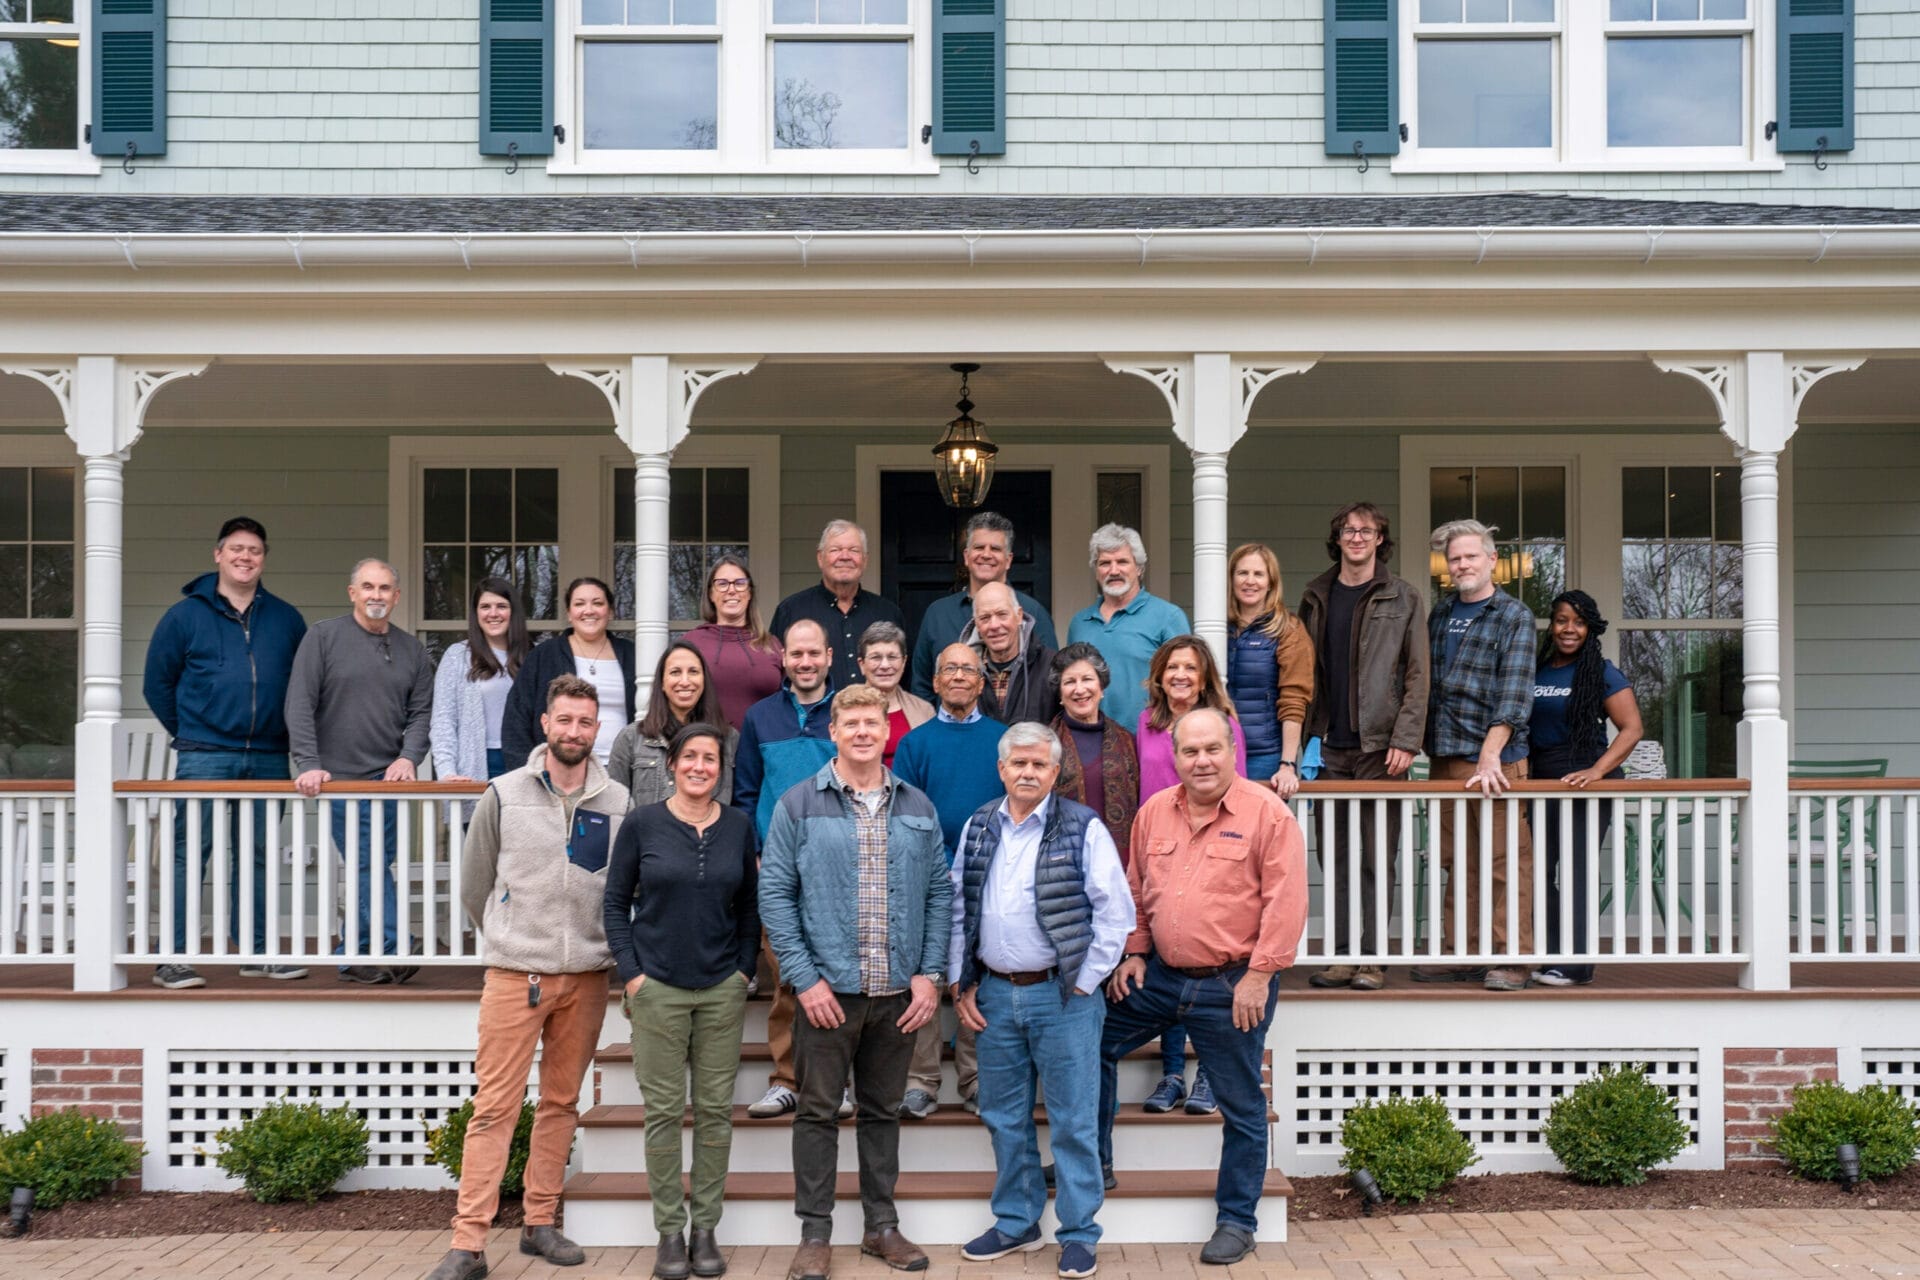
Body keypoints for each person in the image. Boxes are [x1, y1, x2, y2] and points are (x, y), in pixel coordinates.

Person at [425, 676, 629, 1280]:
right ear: (545, 723)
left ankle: (540, 1223)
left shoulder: (617, 802)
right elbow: (473, 883)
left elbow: (623, 888)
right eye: (564, 720)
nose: (574, 732)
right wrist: (507, 933)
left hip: (587, 977)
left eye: (585, 722)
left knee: (561, 1103)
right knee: (495, 1107)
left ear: (597, 730)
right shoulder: (504, 793)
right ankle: (468, 1244)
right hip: (516, 974)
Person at [1098, 708, 1308, 1266]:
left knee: (1240, 1105)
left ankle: (1237, 1221)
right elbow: (1136, 889)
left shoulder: (1267, 814)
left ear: (1232, 751)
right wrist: (1135, 952)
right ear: (1175, 757)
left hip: (1234, 981)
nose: (1201, 760)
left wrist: (1260, 976)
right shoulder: (1153, 814)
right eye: (1190, 752)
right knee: (1089, 1039)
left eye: (1212, 749)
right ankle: (1094, 1163)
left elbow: (1285, 904)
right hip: (1161, 977)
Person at [758, 684, 951, 1280]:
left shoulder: (917, 805)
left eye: (873, 722)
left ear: (885, 732)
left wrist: (930, 974)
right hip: (826, 996)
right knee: (817, 1113)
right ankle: (814, 1234)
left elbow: (941, 893)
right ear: (834, 732)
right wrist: (804, 980)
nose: (864, 731)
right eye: (852, 723)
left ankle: (881, 1228)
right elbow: (775, 894)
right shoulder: (798, 804)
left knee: (881, 1112)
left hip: (897, 995)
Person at [949, 722, 1134, 1280]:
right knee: (1003, 1115)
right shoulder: (980, 825)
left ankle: (1078, 1233)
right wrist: (963, 981)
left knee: (1074, 1122)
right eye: (1017, 763)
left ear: (1056, 772)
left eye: (1039, 765)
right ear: (1002, 768)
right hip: (998, 996)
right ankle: (1017, 1222)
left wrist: (1084, 982)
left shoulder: (1083, 826)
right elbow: (961, 907)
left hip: (1065, 997)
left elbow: (1115, 913)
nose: (1027, 772)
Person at [604, 722, 758, 1280]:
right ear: (671, 763)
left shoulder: (738, 827)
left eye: (710, 759)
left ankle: (706, 1228)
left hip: (721, 989)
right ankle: (670, 1231)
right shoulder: (643, 824)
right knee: (664, 1113)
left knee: (716, 1113)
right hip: (658, 989)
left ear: (721, 768)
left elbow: (748, 909)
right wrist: (633, 975)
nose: (699, 767)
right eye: (689, 757)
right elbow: (616, 903)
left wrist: (744, 971)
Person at [142, 516, 309, 989]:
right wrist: (194, 730)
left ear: (263, 558)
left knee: (256, 854)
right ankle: (174, 957)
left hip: (269, 756)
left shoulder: (285, 618)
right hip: (205, 756)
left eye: (254, 550)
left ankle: (256, 951)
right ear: (218, 554)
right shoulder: (185, 616)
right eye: (236, 548)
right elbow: (157, 683)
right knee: (189, 853)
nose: (244, 557)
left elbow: (302, 688)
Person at [1297, 504, 1429, 992]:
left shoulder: (1403, 596)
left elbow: (1418, 673)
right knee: (1334, 855)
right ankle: (1341, 954)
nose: (1357, 537)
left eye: (1366, 530)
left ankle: (1371, 961)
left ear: (1379, 539)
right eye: (1349, 530)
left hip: (1381, 749)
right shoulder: (1316, 595)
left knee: (1376, 855)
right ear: (1338, 539)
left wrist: (1407, 739)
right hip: (1328, 747)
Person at [286, 557, 433, 984]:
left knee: (372, 864)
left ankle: (351, 954)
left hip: (388, 781)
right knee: (368, 861)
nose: (376, 595)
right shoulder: (324, 637)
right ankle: (392, 943)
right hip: (339, 779)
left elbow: (421, 713)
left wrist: (408, 757)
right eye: (368, 587)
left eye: (385, 588)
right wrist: (310, 764)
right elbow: (299, 703)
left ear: (397, 596)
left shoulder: (412, 650)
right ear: (352, 593)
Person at [1129, 635, 1246, 1116]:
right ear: (1159, 674)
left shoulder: (1225, 724)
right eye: (1172, 667)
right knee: (1168, 966)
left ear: (1204, 678)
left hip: (1212, 850)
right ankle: (1173, 1073)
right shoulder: (1146, 723)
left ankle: (1208, 1078)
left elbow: (1235, 786)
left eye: (1190, 668)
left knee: (1203, 967)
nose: (1180, 675)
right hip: (1162, 848)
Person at [1419, 519, 1538, 994]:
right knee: (1457, 859)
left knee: (1504, 860)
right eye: (1454, 559)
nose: (1462, 564)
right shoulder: (1441, 614)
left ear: (1492, 560)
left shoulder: (1513, 616)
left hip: (1496, 759)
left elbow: (1514, 692)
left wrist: (1492, 754)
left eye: (1471, 556)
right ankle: (1462, 953)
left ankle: (1511, 957)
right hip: (1445, 756)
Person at [891, 643, 1005, 1118]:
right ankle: (921, 1080)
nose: (958, 676)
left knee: (978, 974)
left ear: (981, 683)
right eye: (949, 669)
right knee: (927, 973)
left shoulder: (1003, 740)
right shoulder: (916, 744)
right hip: (929, 874)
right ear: (934, 683)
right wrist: (936, 865)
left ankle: (976, 1077)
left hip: (990, 873)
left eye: (968, 669)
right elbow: (903, 814)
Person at [733, 619, 839, 1121]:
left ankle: (834, 1082)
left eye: (812, 652)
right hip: (781, 868)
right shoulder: (760, 718)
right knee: (787, 981)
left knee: (841, 977)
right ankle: (787, 1079)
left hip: (839, 868)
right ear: (784, 660)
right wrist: (756, 851)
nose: (804, 662)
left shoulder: (847, 714)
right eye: (795, 654)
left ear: (828, 656)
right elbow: (747, 791)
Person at [1530, 590, 1642, 988]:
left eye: (1578, 622)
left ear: (1589, 628)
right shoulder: (1538, 670)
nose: (1569, 629)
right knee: (1538, 872)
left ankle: (1577, 965)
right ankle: (1552, 953)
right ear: (1552, 624)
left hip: (1582, 781)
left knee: (1575, 871)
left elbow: (1632, 729)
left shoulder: (1601, 671)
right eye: (1562, 620)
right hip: (1538, 782)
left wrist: (1597, 770)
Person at [909, 511, 1058, 702]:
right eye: (979, 547)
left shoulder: (1033, 612)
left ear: (1009, 559)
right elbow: (922, 686)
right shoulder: (937, 614)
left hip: (1017, 728)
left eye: (995, 549)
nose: (986, 555)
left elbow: (1052, 681)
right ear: (966, 556)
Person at [501, 577, 636, 770]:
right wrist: (530, 773)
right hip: (559, 772)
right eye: (579, 604)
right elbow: (516, 719)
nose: (588, 610)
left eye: (597, 603)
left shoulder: (632, 655)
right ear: (569, 613)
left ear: (610, 612)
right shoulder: (544, 655)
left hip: (622, 771)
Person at [1065, 524, 1190, 732]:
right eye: (1105, 563)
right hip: (1090, 741)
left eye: (1122, 562)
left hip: (1148, 738)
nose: (1113, 571)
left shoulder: (1168, 617)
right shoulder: (1079, 623)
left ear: (1139, 568)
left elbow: (1187, 683)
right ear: (1096, 571)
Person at [769, 520, 906, 694]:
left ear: (865, 560)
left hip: (877, 719)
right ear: (820, 558)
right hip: (808, 719)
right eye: (835, 550)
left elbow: (904, 676)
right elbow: (774, 677)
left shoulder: (888, 613)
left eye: (854, 550)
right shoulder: (790, 611)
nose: (845, 556)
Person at [1225, 543, 1313, 797]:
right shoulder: (1218, 628)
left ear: (1271, 583)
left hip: (1264, 756)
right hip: (1220, 753)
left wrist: (1287, 764)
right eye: (1242, 573)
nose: (1249, 581)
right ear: (1231, 579)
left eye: (1258, 574)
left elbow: (1294, 700)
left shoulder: (1288, 630)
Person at [608, 642, 738, 807]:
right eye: (675, 672)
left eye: (693, 672)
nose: (685, 681)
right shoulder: (631, 738)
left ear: (704, 680)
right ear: (662, 682)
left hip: (713, 832)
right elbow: (614, 807)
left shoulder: (729, 738)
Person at [1048, 644, 1141, 869]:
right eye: (1070, 682)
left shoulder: (1127, 741)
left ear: (1101, 687)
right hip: (1062, 866)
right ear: (1060, 694)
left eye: (1087, 679)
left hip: (1119, 864)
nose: (1080, 690)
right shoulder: (1044, 744)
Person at [431, 576, 530, 785]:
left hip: (523, 765)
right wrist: (446, 770)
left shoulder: (532, 657)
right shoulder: (457, 656)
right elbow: (443, 720)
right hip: (474, 765)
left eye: (501, 606)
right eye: (485, 606)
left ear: (513, 612)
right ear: (476, 614)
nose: (493, 613)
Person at [683, 555, 785, 732]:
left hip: (763, 752)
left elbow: (789, 705)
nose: (731, 590)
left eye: (739, 583)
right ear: (711, 594)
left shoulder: (772, 645)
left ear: (750, 592)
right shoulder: (691, 644)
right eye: (722, 584)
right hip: (708, 752)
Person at [962, 582, 1059, 725]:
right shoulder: (962, 672)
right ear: (976, 624)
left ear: (1019, 616)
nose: (994, 625)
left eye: (1002, 614)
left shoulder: (1051, 666)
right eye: (985, 618)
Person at [854, 622, 934, 768]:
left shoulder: (925, 711)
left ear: (904, 662)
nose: (885, 665)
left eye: (892, 657)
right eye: (876, 657)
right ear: (861, 664)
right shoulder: (844, 709)